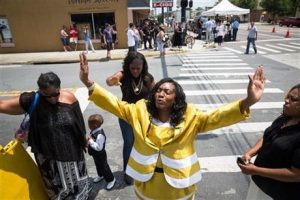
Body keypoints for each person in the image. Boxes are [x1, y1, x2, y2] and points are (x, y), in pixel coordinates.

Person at [79, 52, 266, 199]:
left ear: (176, 98)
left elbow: (216, 116)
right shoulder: (139, 110)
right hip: (147, 185)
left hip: (180, 187)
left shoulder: (190, 115)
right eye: (158, 90)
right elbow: (115, 104)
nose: (161, 94)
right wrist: (88, 82)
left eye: (167, 92)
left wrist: (247, 101)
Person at [0, 72, 89, 199]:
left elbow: (79, 122)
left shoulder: (69, 97)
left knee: (79, 189)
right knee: (58, 193)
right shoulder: (32, 100)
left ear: (60, 88)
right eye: (47, 95)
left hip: (74, 156)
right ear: (40, 91)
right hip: (49, 160)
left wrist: (83, 139)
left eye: (55, 94)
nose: (52, 98)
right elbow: (2, 105)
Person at [237, 84, 300, 200]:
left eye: (294, 99)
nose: (286, 101)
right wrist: (250, 153)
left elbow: (296, 174)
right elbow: (267, 138)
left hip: (279, 193)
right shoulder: (285, 118)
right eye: (288, 96)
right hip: (259, 183)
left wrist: (256, 170)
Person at [105, 51, 155, 184]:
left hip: (144, 116)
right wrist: (113, 80)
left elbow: (155, 94)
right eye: (132, 67)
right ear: (127, 66)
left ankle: (144, 169)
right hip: (126, 116)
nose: (135, 70)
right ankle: (128, 172)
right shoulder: (123, 75)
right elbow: (110, 80)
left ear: (143, 66)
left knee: (144, 143)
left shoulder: (148, 78)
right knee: (129, 143)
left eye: (138, 68)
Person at [87, 114, 116, 190]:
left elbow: (99, 147)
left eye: (89, 124)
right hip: (95, 154)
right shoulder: (93, 130)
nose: (88, 125)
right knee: (98, 165)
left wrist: (90, 141)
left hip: (100, 154)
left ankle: (111, 179)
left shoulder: (100, 135)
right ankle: (101, 175)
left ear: (95, 125)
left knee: (104, 167)